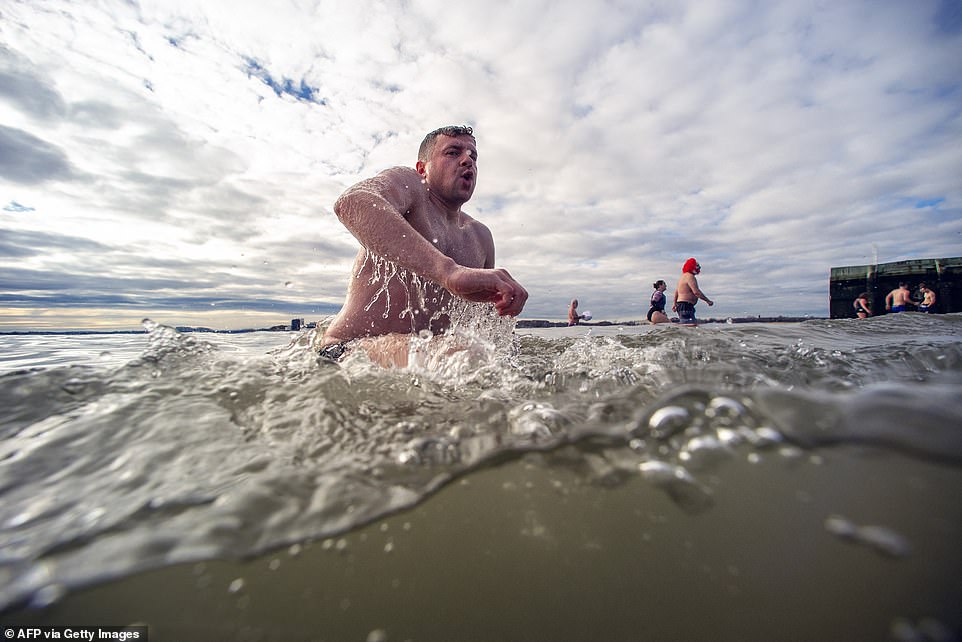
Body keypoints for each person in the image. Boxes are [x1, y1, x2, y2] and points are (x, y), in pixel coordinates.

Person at [319, 125, 528, 366]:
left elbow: (485, 321)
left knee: (496, 359)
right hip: (346, 352)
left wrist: (507, 305)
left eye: (473, 156)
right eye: (453, 152)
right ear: (422, 168)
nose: (466, 160)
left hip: (428, 362)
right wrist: (449, 272)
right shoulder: (412, 186)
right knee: (465, 358)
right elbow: (353, 202)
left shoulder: (481, 236)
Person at [673, 258, 713, 324]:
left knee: (688, 326)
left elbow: (677, 292)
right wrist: (708, 301)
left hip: (682, 305)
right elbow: (696, 292)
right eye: (697, 266)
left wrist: (674, 304)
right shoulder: (690, 277)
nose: (699, 268)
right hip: (686, 306)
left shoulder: (682, 277)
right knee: (689, 326)